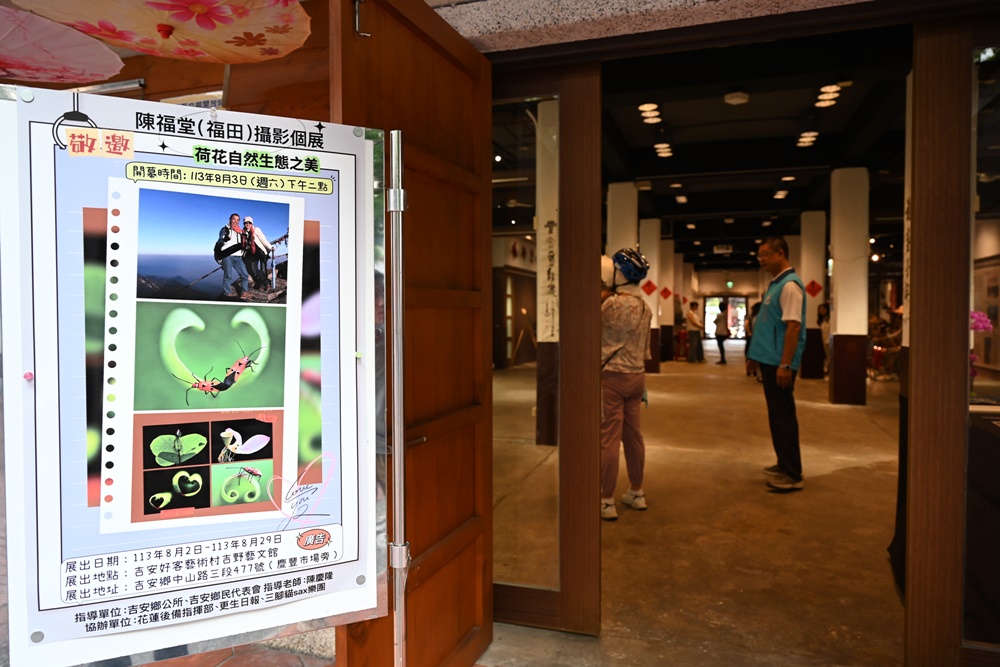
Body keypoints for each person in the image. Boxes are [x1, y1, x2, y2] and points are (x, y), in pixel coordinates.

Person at [746, 237, 807, 491]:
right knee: (777, 416)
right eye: (759, 255)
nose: (760, 259)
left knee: (783, 417)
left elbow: (793, 327)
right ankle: (784, 463)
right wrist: (755, 356)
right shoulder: (776, 284)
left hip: (779, 363)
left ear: (780, 254)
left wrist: (785, 365)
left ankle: (792, 474)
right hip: (769, 360)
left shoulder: (790, 285)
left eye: (765, 254)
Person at [599, 248, 653, 521]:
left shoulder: (610, 305)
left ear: (617, 275)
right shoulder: (646, 307)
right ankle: (637, 491)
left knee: (609, 437)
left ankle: (607, 499)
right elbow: (645, 350)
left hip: (611, 378)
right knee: (634, 436)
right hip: (637, 378)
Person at [219, 213, 250, 299]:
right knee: (228, 275)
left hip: (238, 257)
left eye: (237, 220)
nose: (235, 221)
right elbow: (220, 242)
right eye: (234, 219)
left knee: (245, 275)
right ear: (230, 219)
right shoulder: (225, 229)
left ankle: (244, 292)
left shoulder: (240, 232)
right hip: (227, 256)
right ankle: (227, 293)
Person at [242, 216, 273, 290]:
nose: (247, 224)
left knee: (263, 269)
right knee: (254, 269)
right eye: (246, 223)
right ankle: (266, 282)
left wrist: (270, 247)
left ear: (252, 223)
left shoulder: (256, 230)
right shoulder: (243, 233)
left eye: (249, 222)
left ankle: (263, 284)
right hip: (253, 253)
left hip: (261, 252)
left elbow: (263, 239)